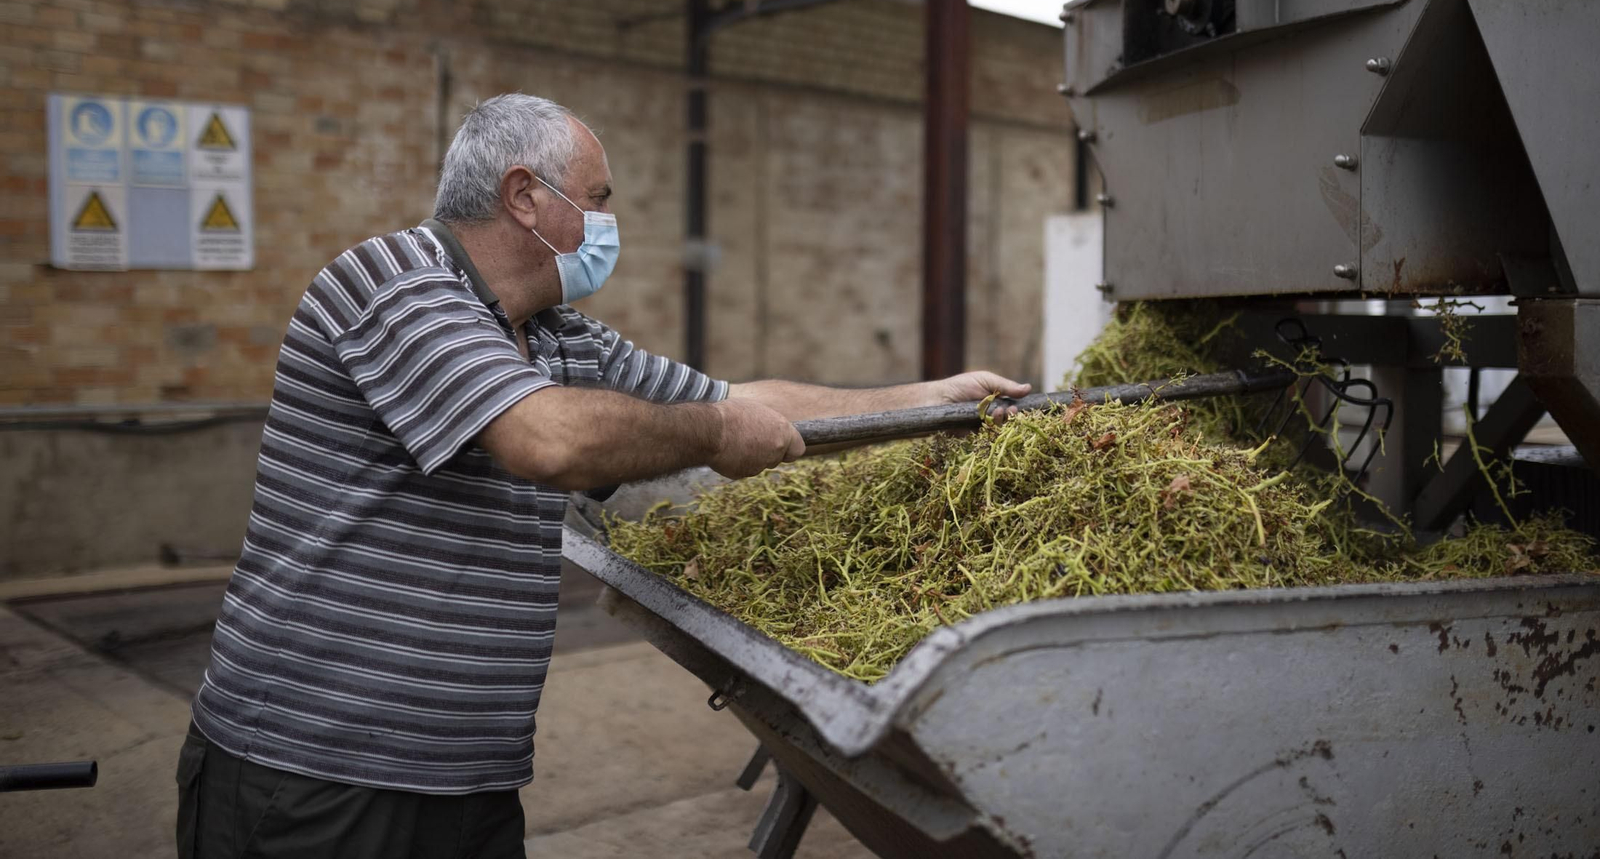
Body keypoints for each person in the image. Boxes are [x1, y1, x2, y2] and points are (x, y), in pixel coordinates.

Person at [174, 93, 1030, 858]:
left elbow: (740, 401)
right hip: (318, 774)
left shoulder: (556, 338)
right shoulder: (397, 284)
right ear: (524, 197)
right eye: (598, 200)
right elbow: (546, 441)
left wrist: (929, 399)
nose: (609, 224)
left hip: (463, 780)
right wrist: (717, 431)